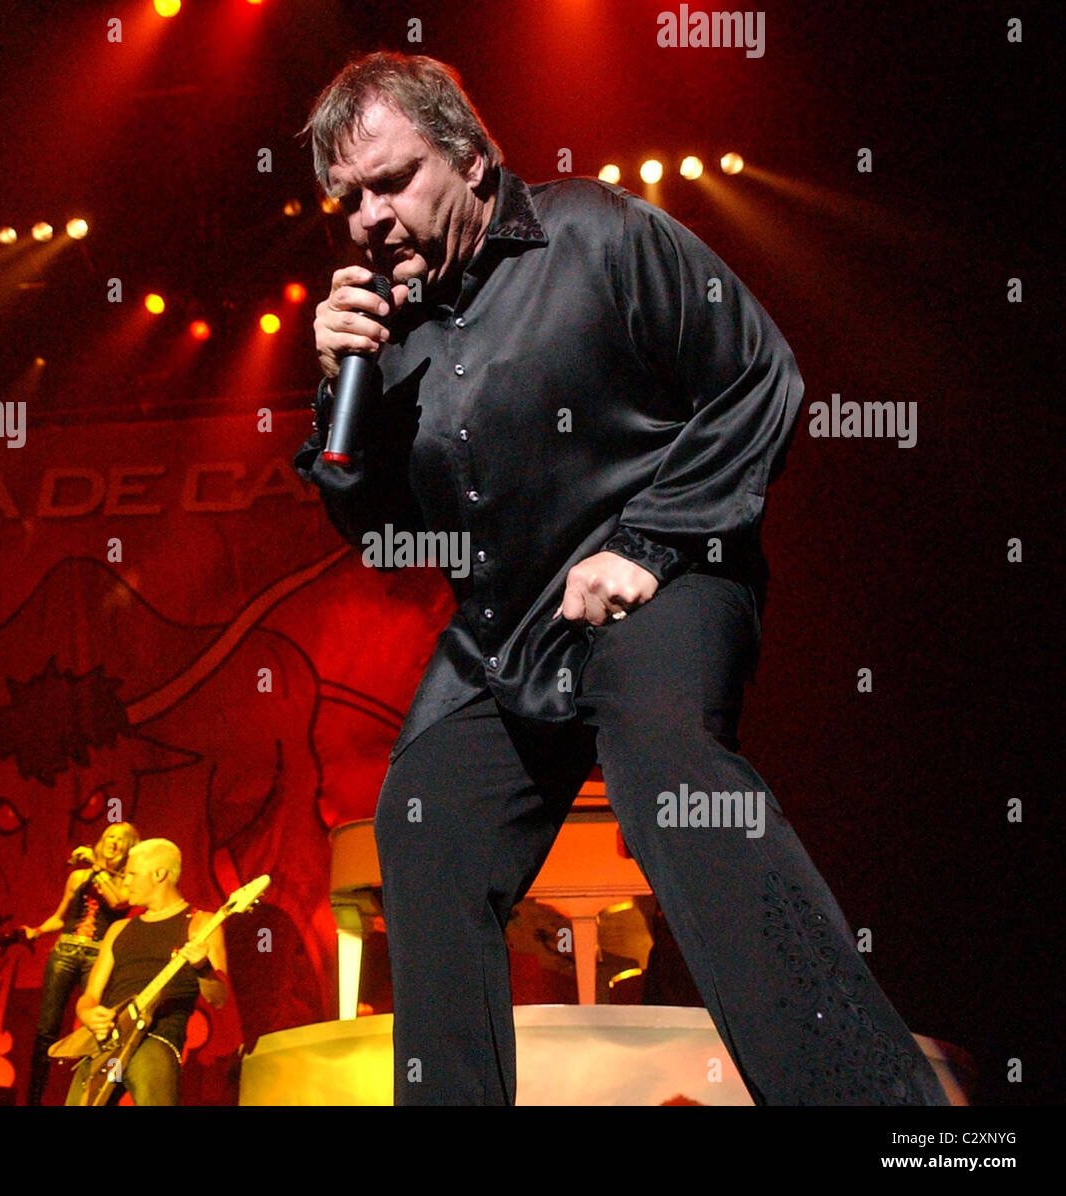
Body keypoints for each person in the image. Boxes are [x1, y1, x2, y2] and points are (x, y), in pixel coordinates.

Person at [295, 51, 949, 1106]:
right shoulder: (387, 334)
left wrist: (643, 545)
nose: (368, 217)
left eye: (391, 179)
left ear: (468, 157)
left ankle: (872, 1102)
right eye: (347, 199)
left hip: (671, 566)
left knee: (667, 777)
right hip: (511, 624)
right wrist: (339, 394)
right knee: (420, 817)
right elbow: (381, 538)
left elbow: (756, 376)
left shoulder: (597, 233)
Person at [63, 838, 227, 1106]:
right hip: (105, 1045)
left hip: (156, 1039)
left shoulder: (202, 923)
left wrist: (202, 967)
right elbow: (89, 996)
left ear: (160, 874)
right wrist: (88, 1014)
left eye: (131, 874)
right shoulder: (118, 930)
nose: (124, 882)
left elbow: (219, 998)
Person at [21, 822, 138, 1105]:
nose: (113, 842)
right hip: (65, 950)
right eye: (109, 836)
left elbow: (118, 902)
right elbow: (61, 917)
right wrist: (36, 931)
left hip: (98, 956)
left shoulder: (127, 880)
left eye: (120, 840)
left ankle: (93, 1094)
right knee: (47, 1027)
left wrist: (98, 869)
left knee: (97, 1026)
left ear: (129, 848)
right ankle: (33, 1099)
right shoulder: (78, 877)